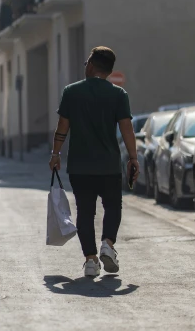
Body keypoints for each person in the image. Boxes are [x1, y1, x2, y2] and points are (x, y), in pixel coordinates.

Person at [49, 46, 139, 278]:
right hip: (109, 165)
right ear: (108, 70)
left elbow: (62, 128)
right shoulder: (119, 95)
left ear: (91, 65)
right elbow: (127, 128)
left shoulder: (71, 92)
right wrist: (133, 157)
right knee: (113, 207)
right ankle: (108, 244)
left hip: (80, 166)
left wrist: (56, 153)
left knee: (86, 212)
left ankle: (90, 260)